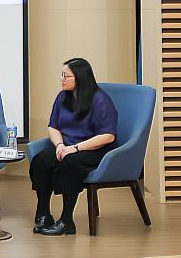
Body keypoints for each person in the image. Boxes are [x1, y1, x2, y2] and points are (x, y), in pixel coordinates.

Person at [30, 57, 118, 236]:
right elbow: (53, 126)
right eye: (61, 75)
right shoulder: (63, 96)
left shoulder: (100, 100)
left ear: (80, 78)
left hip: (94, 149)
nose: (62, 79)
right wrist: (60, 145)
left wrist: (75, 148)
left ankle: (67, 220)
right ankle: (43, 214)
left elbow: (108, 136)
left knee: (70, 164)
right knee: (41, 161)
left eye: (66, 76)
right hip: (67, 146)